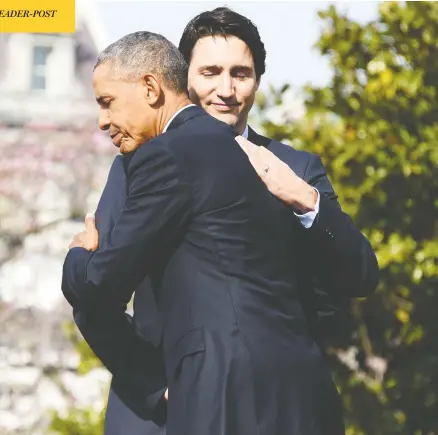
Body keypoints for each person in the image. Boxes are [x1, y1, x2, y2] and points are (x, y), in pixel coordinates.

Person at [62, 27, 378, 435]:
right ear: (182, 78)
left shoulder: (293, 168)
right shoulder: (136, 158)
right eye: (210, 72)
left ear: (258, 80)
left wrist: (304, 198)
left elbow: (350, 281)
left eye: (240, 73)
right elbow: (100, 296)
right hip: (166, 405)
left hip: (268, 398)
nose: (226, 89)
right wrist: (157, 384)